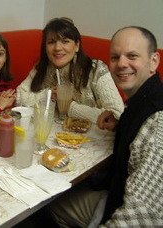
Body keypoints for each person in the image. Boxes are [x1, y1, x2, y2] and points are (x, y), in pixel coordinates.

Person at [49, 26, 163, 227]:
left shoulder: (156, 122)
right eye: (115, 57)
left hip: (120, 205)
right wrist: (121, 127)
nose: (121, 64)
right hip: (116, 188)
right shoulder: (142, 102)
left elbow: (143, 213)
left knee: (52, 204)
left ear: (153, 61)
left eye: (132, 56)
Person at [16, 18, 124, 124]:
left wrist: (70, 107)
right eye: (51, 42)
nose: (57, 47)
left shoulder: (96, 69)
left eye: (65, 41)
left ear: (77, 45)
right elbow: (19, 97)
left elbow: (117, 114)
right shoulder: (41, 68)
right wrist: (48, 94)